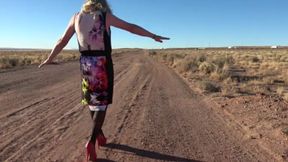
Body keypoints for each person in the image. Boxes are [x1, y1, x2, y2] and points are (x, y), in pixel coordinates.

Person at [39, 0, 169, 161]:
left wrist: (50, 58)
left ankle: (99, 134)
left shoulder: (76, 17)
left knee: (91, 100)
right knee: (101, 104)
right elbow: (131, 27)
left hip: (86, 64)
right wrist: (152, 35)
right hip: (102, 63)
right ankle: (91, 141)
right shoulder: (104, 16)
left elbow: (62, 40)